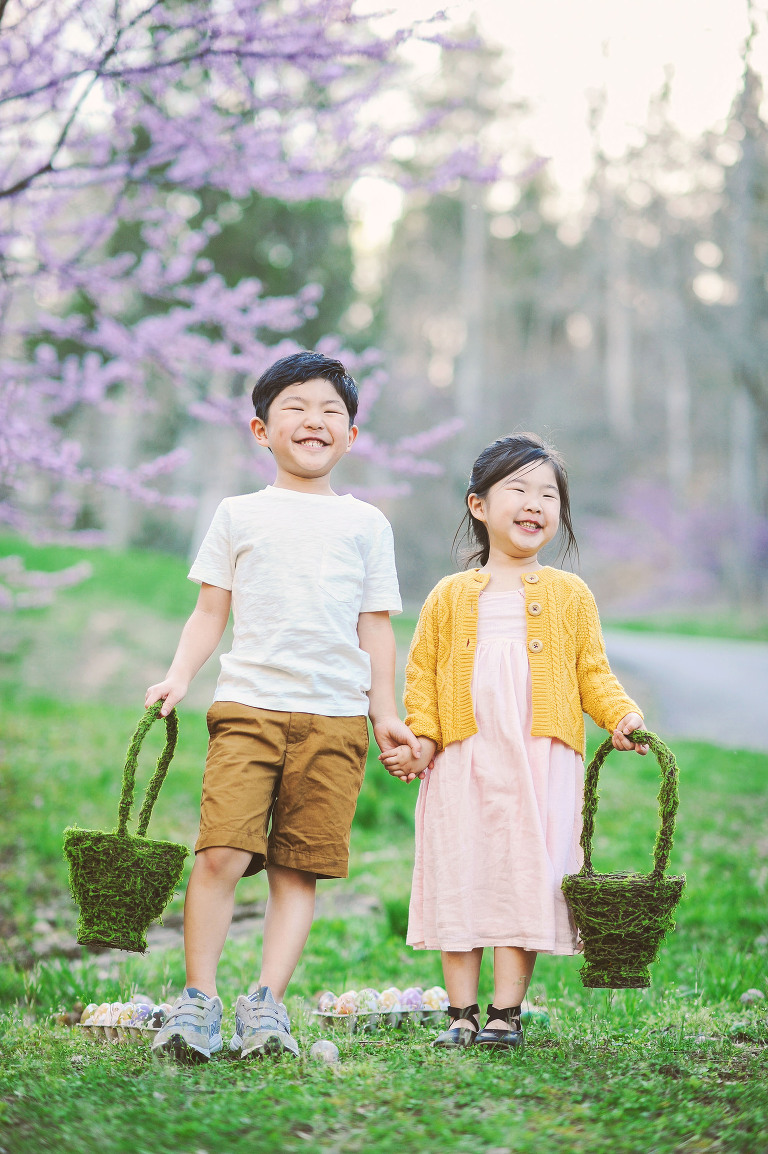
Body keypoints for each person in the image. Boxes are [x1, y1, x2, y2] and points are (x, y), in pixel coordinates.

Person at [145, 350, 419, 1063]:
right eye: (296, 407)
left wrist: (383, 711)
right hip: (249, 706)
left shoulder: (367, 525)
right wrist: (178, 676)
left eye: (332, 411)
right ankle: (199, 1000)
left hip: (334, 715)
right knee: (222, 852)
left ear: (351, 436)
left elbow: (376, 626)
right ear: (260, 430)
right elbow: (210, 610)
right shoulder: (239, 514)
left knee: (300, 867)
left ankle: (265, 1005)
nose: (315, 420)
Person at [380, 432, 647, 1051]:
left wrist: (621, 717)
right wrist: (422, 741)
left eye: (549, 494)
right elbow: (422, 679)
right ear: (479, 506)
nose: (535, 504)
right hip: (463, 757)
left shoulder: (569, 595)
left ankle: (505, 1011)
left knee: (525, 869)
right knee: (463, 866)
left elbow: (592, 673)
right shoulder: (448, 596)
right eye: (518, 490)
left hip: (540, 757)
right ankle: (460, 1011)